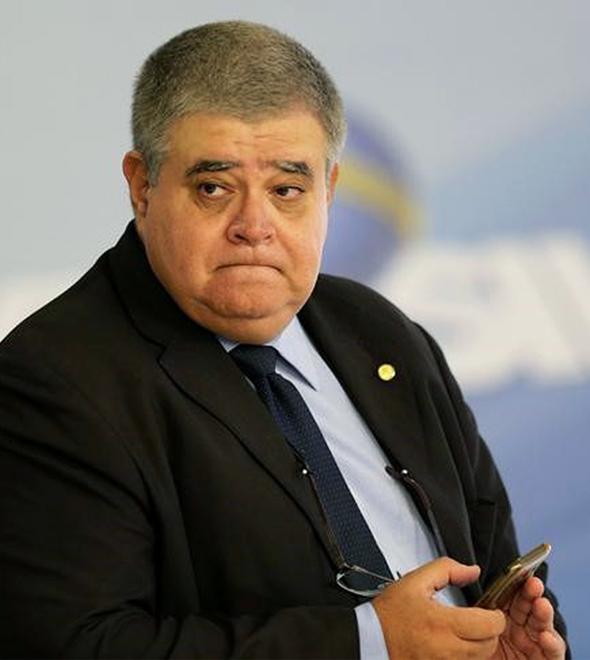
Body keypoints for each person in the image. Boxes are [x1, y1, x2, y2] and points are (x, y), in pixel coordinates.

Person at [0, 20, 568, 659]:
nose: (254, 225)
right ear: (142, 186)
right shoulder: (54, 380)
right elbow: (75, 646)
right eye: (213, 188)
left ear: (329, 191)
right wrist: (370, 643)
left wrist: (513, 643)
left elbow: (496, 568)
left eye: (287, 190)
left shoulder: (381, 332)